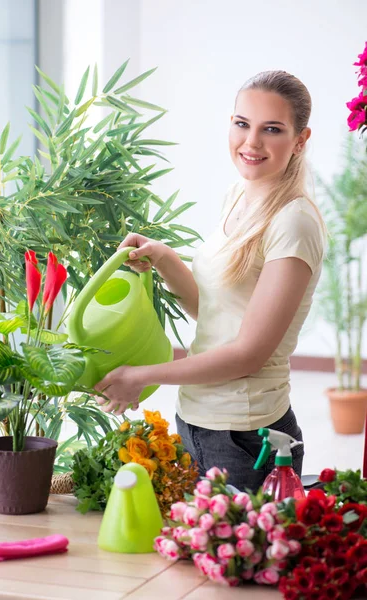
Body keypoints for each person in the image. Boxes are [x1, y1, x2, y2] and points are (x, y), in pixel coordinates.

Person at [94, 70, 327, 492]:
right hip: (198, 421)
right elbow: (217, 312)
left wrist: (142, 375)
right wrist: (165, 258)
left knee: (230, 559)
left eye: (271, 129)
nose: (251, 142)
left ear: (300, 139)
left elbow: (248, 354)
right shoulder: (240, 194)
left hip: (246, 436)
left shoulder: (294, 223)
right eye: (242, 123)